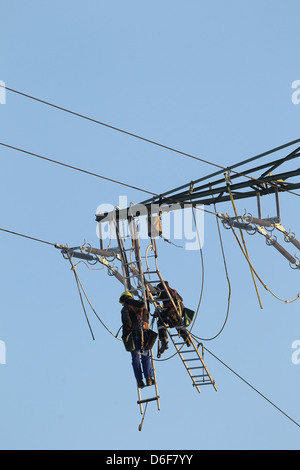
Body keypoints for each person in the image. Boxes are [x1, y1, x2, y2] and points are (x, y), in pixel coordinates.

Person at [119, 291, 155, 389]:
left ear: (125, 300)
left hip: (134, 337)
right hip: (145, 335)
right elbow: (147, 318)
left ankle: (139, 381)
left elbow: (127, 323)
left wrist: (125, 337)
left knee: (135, 359)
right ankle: (148, 378)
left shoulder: (125, 309)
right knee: (145, 356)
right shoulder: (142, 305)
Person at [155, 281, 191, 355]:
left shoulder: (163, 291)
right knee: (178, 323)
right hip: (180, 311)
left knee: (160, 322)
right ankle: (186, 339)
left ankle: (164, 342)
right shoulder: (173, 291)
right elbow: (181, 299)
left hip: (171, 312)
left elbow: (153, 293)